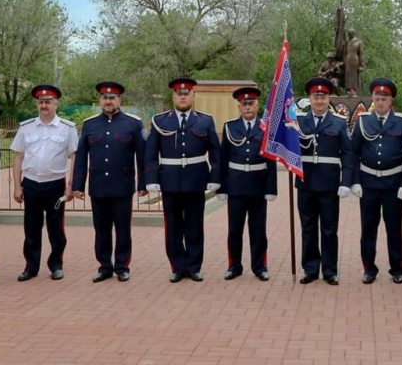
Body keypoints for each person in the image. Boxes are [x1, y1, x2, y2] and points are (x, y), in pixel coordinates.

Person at [145, 78, 221, 283]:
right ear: (173, 97)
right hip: (169, 181)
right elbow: (151, 153)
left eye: (186, 93)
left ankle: (194, 266)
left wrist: (215, 177)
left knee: (195, 226)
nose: (183, 96)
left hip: (196, 181)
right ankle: (177, 266)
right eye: (179, 93)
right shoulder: (160, 121)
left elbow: (215, 152)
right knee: (173, 227)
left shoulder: (205, 121)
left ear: (193, 96)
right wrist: (151, 178)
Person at [72, 81, 146, 283]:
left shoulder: (133, 123)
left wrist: (144, 184)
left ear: (119, 100)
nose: (108, 101)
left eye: (112, 98)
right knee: (101, 229)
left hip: (122, 186)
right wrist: (77, 185)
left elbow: (143, 156)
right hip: (98, 187)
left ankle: (122, 266)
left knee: (123, 229)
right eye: (105, 98)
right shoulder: (90, 124)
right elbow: (81, 157)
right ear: (100, 100)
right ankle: (105, 266)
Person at [10, 85, 78, 282]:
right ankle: (31, 267)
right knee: (31, 228)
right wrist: (16, 186)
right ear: (36, 104)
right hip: (31, 184)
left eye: (48, 102)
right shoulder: (26, 127)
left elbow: (75, 157)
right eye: (41, 102)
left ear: (56, 104)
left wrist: (71, 185)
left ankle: (56, 265)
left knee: (56, 228)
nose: (44, 105)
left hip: (55, 185)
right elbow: (18, 158)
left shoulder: (67, 128)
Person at [350, 78, 402, 285]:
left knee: (393, 229)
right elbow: (353, 152)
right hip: (368, 183)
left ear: (391, 99)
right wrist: (355, 181)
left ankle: (397, 268)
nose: (381, 102)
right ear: (373, 99)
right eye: (377, 98)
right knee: (368, 228)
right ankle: (369, 268)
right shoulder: (363, 120)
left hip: (393, 184)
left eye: (384, 98)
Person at [296, 77, 353, 285]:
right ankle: (310, 269)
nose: (319, 101)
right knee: (308, 227)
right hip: (305, 182)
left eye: (323, 97)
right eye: (315, 96)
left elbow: (347, 154)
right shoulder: (299, 122)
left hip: (329, 184)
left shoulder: (338, 122)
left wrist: (346, 181)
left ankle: (330, 270)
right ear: (309, 98)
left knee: (329, 229)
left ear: (328, 99)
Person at [218, 87, 277, 282]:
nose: (248, 107)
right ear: (239, 106)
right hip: (235, 185)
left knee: (258, 229)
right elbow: (223, 159)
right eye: (244, 104)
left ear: (257, 105)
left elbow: (271, 161)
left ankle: (260, 266)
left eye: (251, 103)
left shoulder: (266, 128)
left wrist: (271, 189)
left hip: (258, 185)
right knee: (235, 229)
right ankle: (234, 266)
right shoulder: (229, 127)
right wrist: (222, 187)